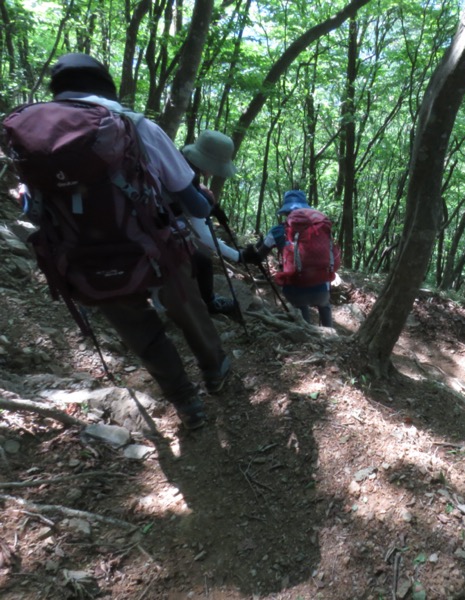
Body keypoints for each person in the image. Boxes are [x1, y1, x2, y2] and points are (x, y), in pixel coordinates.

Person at [46, 53, 230, 429]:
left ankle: (185, 402)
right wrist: (206, 202)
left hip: (84, 258)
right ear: (107, 87)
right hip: (154, 247)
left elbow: (36, 208)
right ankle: (214, 370)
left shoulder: (39, 137)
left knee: (138, 328)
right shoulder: (135, 125)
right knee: (187, 307)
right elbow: (192, 200)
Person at [241, 190, 335, 327]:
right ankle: (329, 332)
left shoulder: (277, 231)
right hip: (321, 290)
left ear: (285, 213)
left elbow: (258, 258)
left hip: (295, 292)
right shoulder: (319, 229)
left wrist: (245, 253)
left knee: (299, 298)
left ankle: (305, 328)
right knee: (324, 304)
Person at [180, 130, 242, 315]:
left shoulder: (184, 167)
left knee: (200, 259)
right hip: (155, 232)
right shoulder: (186, 176)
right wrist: (238, 256)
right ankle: (209, 304)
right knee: (202, 261)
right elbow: (203, 234)